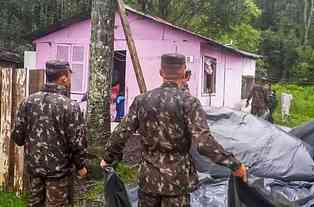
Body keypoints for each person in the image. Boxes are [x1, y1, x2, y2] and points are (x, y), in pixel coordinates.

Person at [100, 53, 247, 207]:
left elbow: (121, 133)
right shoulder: (189, 102)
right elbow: (204, 143)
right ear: (184, 72)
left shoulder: (142, 100)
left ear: (161, 72)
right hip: (177, 182)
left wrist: (108, 158)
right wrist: (234, 165)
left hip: (148, 180)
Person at [11, 60, 88, 207]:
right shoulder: (70, 106)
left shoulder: (28, 102)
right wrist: (81, 166)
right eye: (69, 76)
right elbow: (77, 143)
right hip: (59, 175)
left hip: (35, 171)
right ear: (63, 78)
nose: (70, 80)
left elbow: (18, 137)